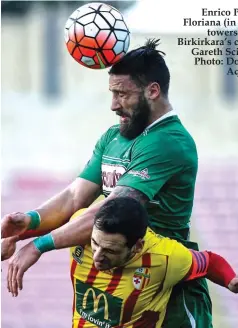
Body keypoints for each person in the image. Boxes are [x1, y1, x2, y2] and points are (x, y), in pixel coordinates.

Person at [2, 39, 214, 326]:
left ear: (153, 90)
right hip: (120, 278)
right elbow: (74, 199)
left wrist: (38, 245)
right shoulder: (114, 137)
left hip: (166, 286)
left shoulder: (169, 142)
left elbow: (109, 211)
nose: (114, 105)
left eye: (122, 94)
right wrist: (28, 222)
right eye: (112, 93)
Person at [6, 198, 238, 328]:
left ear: (137, 246)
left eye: (109, 250)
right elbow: (59, 222)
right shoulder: (81, 230)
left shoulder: (165, 257)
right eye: (94, 244)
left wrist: (231, 281)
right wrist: (16, 237)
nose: (97, 256)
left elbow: (208, 261)